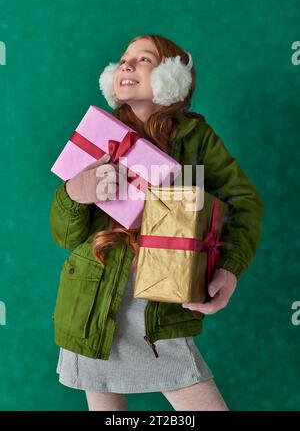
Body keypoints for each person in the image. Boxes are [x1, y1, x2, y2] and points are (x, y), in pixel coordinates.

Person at [50, 34, 263, 411]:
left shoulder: (196, 137)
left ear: (170, 76)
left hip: (160, 308)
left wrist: (229, 269)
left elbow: (244, 202)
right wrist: (73, 195)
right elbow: (67, 237)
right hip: (92, 305)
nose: (126, 65)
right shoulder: (97, 135)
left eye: (144, 59)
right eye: (123, 59)